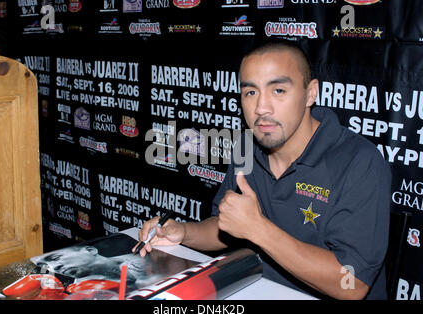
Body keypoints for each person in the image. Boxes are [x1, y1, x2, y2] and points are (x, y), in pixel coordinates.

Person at [135, 40, 391, 300]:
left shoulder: (360, 162)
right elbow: (228, 227)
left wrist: (258, 229)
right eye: (250, 92)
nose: (261, 108)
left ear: (310, 93)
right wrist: (184, 232)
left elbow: (353, 284)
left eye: (278, 90)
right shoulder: (248, 145)